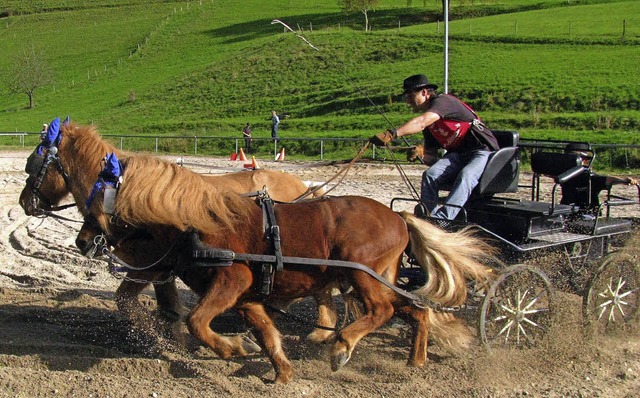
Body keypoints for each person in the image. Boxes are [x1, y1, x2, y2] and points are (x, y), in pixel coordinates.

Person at [370, 74, 498, 220]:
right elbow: (431, 158)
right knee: (430, 175)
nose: (408, 102)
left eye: (410, 96)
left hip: (481, 151)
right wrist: (420, 154)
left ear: (424, 92)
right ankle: (428, 215)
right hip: (458, 154)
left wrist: (392, 134)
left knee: (467, 175)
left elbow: (422, 122)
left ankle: (443, 219)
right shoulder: (431, 127)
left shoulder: (443, 101)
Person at [560, 142, 637, 212]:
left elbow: (607, 179)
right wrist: (624, 180)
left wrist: (623, 180)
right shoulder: (588, 177)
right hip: (586, 213)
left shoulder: (562, 174)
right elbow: (608, 180)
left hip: (566, 211)